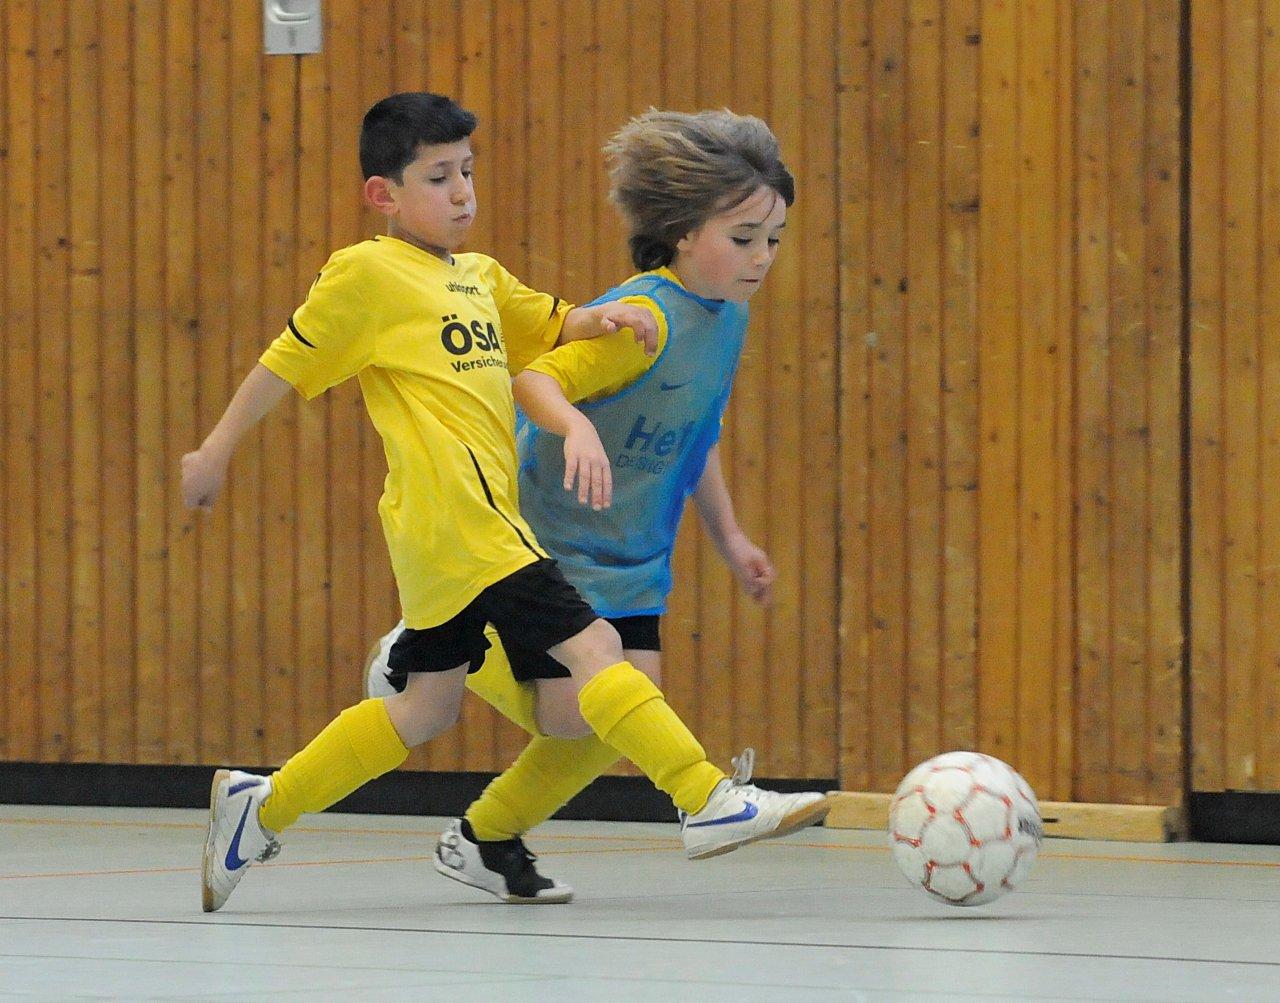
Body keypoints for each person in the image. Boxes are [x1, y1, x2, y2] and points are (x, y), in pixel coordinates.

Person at [182, 93, 827, 914]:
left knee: (425, 707)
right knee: (597, 647)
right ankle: (704, 798)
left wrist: (604, 317)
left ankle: (261, 806)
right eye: (438, 177)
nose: (462, 192)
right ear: (384, 194)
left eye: (468, 172)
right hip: (458, 514)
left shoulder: (478, 276)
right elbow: (283, 361)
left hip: (469, 527)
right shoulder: (365, 273)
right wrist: (215, 448)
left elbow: (554, 325)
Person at [366, 108, 828, 905]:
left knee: (599, 720)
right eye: (744, 237)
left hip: (632, 552)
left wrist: (730, 535)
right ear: (682, 232)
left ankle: (484, 837)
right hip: (551, 536)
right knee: (594, 704)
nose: (762, 256)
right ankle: (429, 652)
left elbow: (695, 432)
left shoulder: (728, 318)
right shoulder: (644, 319)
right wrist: (576, 426)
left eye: (774, 239)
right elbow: (535, 380)